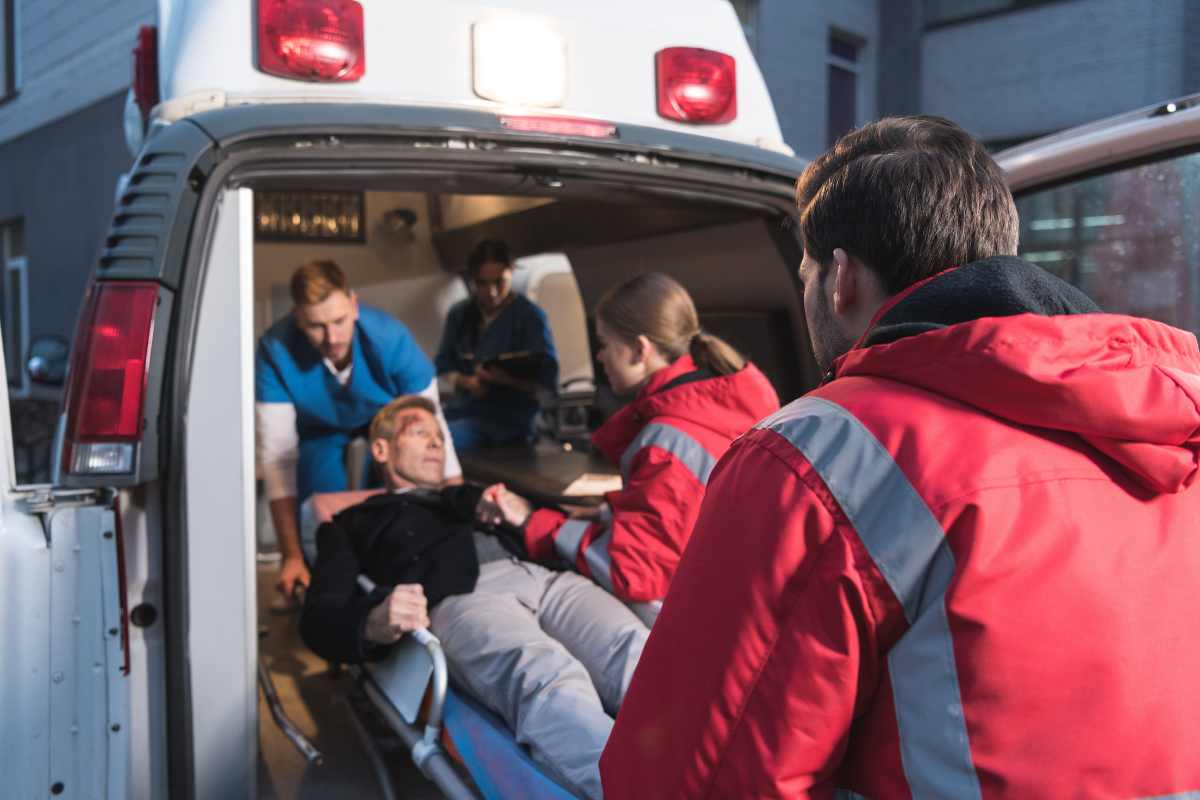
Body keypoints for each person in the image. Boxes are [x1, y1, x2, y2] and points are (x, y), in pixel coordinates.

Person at [601, 116, 1200, 797]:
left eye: (805, 269)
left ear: (840, 279)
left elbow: (700, 777)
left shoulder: (815, 458)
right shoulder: (1172, 431)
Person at [299, 395, 648, 800]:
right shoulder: (352, 522)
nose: (436, 444)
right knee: (548, 676)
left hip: (544, 578)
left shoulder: (471, 499)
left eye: (439, 437)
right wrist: (373, 621)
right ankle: (640, 790)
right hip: (462, 600)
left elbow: (549, 529)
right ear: (381, 449)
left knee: (636, 651)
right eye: (419, 433)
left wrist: (522, 514)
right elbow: (318, 618)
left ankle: (718, 771)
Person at [491, 273, 779, 626]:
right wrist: (604, 513)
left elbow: (630, 572)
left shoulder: (666, 441)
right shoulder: (730, 396)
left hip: (693, 615)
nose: (600, 357)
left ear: (641, 350)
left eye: (605, 344)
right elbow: (682, 513)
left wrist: (534, 522)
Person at [256, 260, 462, 597]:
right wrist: (290, 555)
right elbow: (278, 459)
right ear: (297, 318)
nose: (332, 338)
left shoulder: (390, 338)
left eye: (339, 321)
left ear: (354, 305)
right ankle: (318, 580)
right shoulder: (274, 351)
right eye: (316, 326)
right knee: (319, 505)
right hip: (318, 429)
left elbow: (433, 434)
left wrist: (457, 507)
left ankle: (393, 580)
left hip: (383, 420)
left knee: (397, 491)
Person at [435, 239, 559, 451]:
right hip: (463, 410)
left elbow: (547, 382)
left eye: (499, 282)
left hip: (511, 420)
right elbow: (444, 363)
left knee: (443, 443)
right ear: (473, 280)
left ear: (511, 273)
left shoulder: (529, 317)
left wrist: (505, 380)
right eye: (482, 283)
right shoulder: (460, 314)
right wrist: (467, 382)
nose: (491, 292)